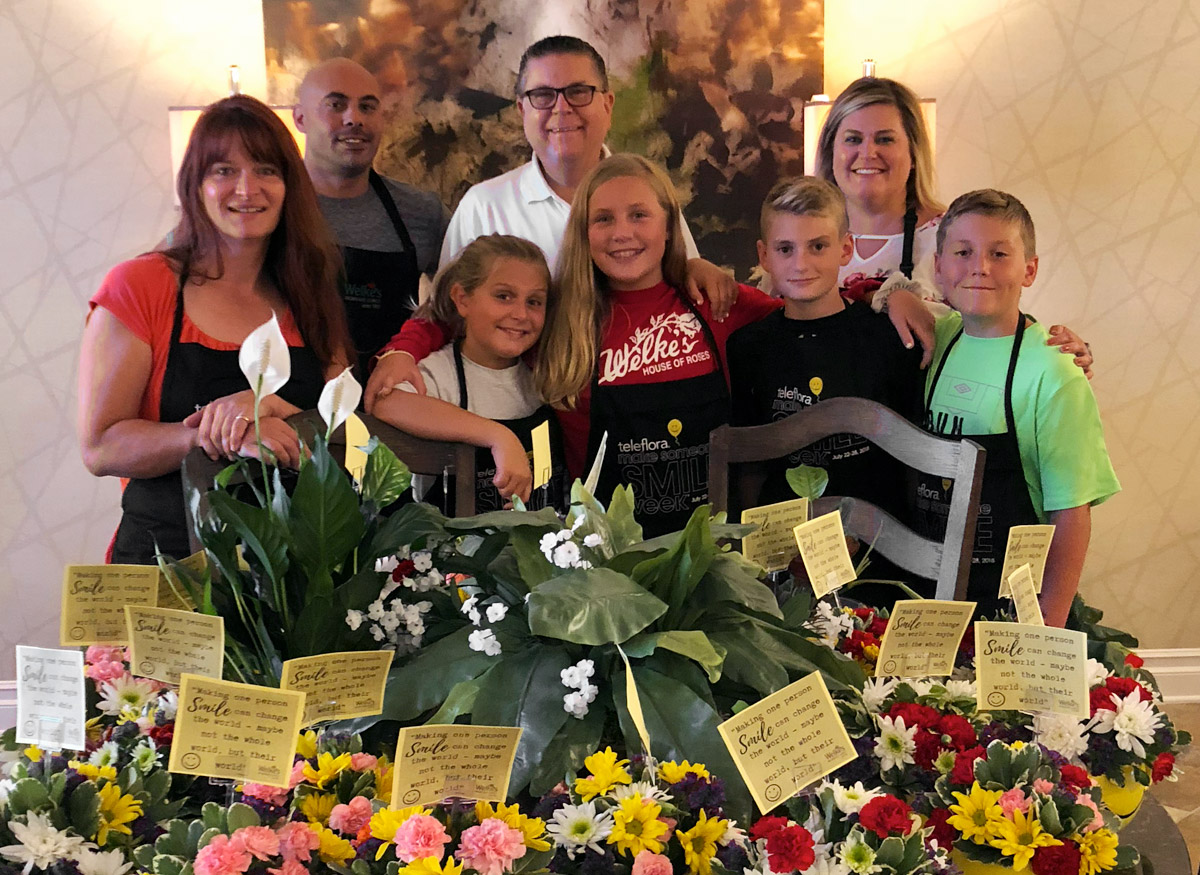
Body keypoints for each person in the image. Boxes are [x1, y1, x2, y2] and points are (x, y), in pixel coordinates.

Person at [364, 35, 739, 408]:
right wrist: (402, 351)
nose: (561, 109)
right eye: (542, 95)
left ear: (608, 104)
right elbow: (448, 313)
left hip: (638, 410)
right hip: (518, 411)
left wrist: (698, 268)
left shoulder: (646, 194)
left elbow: (682, 287)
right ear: (521, 110)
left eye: (578, 91)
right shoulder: (484, 205)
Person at [78, 95, 352, 565]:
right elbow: (101, 447)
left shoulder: (310, 289)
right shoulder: (140, 285)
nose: (247, 189)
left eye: (266, 169)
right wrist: (214, 431)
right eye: (223, 170)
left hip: (298, 570)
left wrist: (266, 406)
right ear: (194, 185)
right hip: (167, 564)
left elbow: (344, 423)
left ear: (290, 185)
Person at [539, 154, 781, 536]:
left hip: (714, 560)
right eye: (603, 218)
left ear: (669, 225)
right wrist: (406, 353)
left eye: (639, 215)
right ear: (583, 233)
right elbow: (454, 321)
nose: (621, 233)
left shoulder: (713, 300)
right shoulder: (557, 319)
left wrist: (890, 297)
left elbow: (817, 311)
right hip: (604, 566)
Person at [916, 189, 1119, 626]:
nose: (979, 268)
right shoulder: (935, 335)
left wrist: (1045, 626)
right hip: (928, 592)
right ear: (938, 266)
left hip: (1013, 608)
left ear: (1029, 270)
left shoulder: (1054, 372)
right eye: (963, 252)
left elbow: (1071, 513)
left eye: (999, 254)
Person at [814, 76, 1093, 375]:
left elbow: (997, 318)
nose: (868, 153)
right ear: (832, 151)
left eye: (885, 139)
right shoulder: (801, 239)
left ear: (913, 155)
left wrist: (1058, 353)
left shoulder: (952, 236)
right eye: (853, 139)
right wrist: (884, 296)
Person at [727, 177, 922, 519]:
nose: (801, 264)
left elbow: (913, 458)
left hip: (880, 546)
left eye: (817, 246)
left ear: (845, 248)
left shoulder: (887, 338)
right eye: (785, 249)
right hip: (782, 549)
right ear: (764, 255)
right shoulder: (748, 348)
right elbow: (749, 467)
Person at [372, 235, 567, 512]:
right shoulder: (440, 374)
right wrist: (499, 437)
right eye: (504, 296)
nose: (521, 314)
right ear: (462, 299)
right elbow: (387, 402)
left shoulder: (544, 373)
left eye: (534, 302)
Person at [293, 57, 448, 375]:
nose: (354, 119)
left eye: (367, 107)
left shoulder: (421, 213)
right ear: (300, 118)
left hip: (391, 407)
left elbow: (466, 298)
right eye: (336, 104)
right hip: (286, 410)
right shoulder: (267, 206)